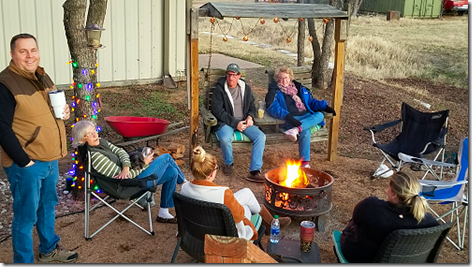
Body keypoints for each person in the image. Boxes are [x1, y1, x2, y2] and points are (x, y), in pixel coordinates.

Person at [0, 33, 78, 263]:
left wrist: (66, 112)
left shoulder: (42, 76)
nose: (29, 55)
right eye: (23, 51)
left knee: (47, 206)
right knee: (25, 217)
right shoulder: (5, 84)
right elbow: (2, 129)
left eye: (33, 50)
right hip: (27, 162)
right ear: (13, 54)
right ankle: (23, 261)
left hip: (50, 157)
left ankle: (49, 249)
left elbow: (50, 111)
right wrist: (24, 161)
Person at [71, 120, 187, 224]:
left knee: (172, 172)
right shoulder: (96, 157)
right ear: (82, 140)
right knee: (166, 158)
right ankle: (186, 185)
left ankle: (163, 213)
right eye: (90, 134)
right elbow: (124, 179)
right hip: (128, 186)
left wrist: (126, 167)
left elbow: (121, 152)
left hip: (133, 176)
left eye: (94, 131)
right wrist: (144, 164)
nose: (95, 134)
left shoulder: (100, 142)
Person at [183, 146, 291, 239]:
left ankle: (270, 222)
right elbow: (238, 217)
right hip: (223, 233)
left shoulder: (184, 188)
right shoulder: (223, 193)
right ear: (211, 174)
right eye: (217, 168)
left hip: (197, 229)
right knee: (247, 207)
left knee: (246, 193)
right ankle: (269, 222)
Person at [340, 172, 439, 263]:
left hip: (365, 259)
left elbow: (356, 219)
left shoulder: (372, 208)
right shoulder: (429, 222)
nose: (386, 191)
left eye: (388, 188)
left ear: (394, 194)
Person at [265, 66, 336, 168]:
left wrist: (325, 106)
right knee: (305, 131)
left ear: (290, 78)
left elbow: (310, 102)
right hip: (292, 119)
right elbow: (273, 107)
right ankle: (304, 163)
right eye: (282, 78)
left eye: (286, 78)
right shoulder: (274, 92)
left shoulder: (299, 88)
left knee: (320, 114)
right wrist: (288, 117)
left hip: (306, 117)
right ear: (277, 79)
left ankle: (295, 130)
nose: (284, 80)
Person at [211, 63, 266, 183]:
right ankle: (229, 163)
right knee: (225, 139)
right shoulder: (220, 89)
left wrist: (250, 117)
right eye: (229, 74)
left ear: (239, 76)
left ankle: (255, 171)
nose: (231, 78)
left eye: (234, 75)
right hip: (226, 122)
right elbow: (217, 111)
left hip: (244, 121)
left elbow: (252, 105)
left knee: (260, 136)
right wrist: (236, 123)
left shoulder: (245, 88)